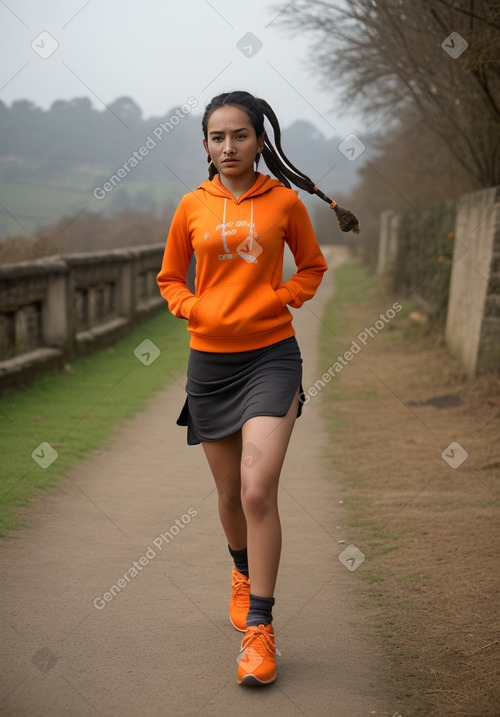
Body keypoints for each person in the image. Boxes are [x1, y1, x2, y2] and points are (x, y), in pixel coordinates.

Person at [157, 90, 360, 686]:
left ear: (260, 141)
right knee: (227, 494)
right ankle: (240, 573)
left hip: (272, 358)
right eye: (217, 137)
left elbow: (314, 266)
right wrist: (192, 307)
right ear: (206, 146)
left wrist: (279, 299)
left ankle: (260, 630)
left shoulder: (284, 202)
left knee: (257, 489)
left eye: (239, 135)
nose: (228, 147)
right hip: (210, 366)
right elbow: (170, 276)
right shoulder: (191, 206)